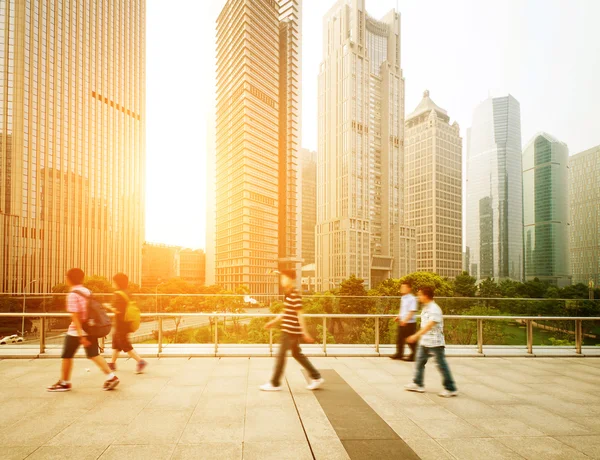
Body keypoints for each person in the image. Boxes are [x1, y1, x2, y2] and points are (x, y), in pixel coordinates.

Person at [47, 268, 120, 392]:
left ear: (69, 279)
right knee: (94, 354)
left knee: (67, 355)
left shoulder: (72, 294)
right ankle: (111, 376)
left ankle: (64, 382)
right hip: (91, 328)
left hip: (77, 331)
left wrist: (81, 335)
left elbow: (75, 317)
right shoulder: (87, 291)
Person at [260, 269, 324, 391]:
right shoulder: (289, 294)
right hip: (290, 329)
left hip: (290, 331)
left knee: (281, 356)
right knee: (297, 354)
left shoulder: (294, 294)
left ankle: (274, 383)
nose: (282, 281)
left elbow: (300, 314)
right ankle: (316, 377)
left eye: (283, 278)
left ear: (290, 279)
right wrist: (273, 322)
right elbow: (286, 312)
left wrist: (304, 332)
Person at [404, 286, 458, 397]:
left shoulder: (434, 309)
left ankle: (451, 388)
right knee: (419, 362)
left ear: (426, 296)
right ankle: (418, 384)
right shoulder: (426, 307)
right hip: (425, 342)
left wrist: (415, 335)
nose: (418, 297)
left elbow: (429, 325)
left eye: (420, 294)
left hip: (435, 343)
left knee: (441, 365)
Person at [105, 273, 147, 374]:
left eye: (114, 281)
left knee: (125, 344)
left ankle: (140, 361)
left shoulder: (118, 294)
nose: (113, 283)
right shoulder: (128, 293)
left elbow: (118, 311)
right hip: (127, 322)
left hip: (121, 324)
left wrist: (108, 306)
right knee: (116, 343)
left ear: (117, 282)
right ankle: (112, 363)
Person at [390, 280, 418, 361]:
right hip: (402, 322)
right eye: (401, 287)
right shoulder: (403, 298)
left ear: (409, 289)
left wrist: (405, 320)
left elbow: (412, 311)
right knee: (399, 339)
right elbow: (403, 309)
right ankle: (399, 354)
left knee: (410, 340)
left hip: (409, 323)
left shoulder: (412, 298)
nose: (402, 289)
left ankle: (415, 355)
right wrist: (399, 317)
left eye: (404, 287)